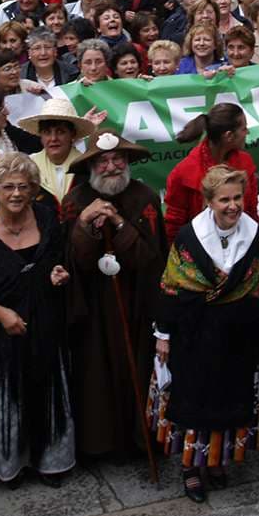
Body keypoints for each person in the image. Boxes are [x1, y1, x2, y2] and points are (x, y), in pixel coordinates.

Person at [152, 165, 259, 503]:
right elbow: (172, 287)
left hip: (237, 333)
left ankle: (218, 460)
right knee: (196, 398)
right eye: (224, 200)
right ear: (209, 201)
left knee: (230, 396)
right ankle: (191, 467)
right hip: (196, 333)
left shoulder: (254, 234)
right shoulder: (189, 237)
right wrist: (163, 334)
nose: (233, 206)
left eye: (237, 198)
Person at [0, 153, 75, 486]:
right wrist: (2, 314)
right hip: (2, 335)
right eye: (8, 187)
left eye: (23, 186)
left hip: (45, 324)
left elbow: (57, 261)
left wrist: (57, 273)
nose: (16, 194)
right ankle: (11, 464)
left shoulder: (47, 219)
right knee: (9, 398)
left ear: (34, 189)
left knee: (47, 390)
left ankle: (49, 461)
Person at [58, 131, 168, 457]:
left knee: (139, 367)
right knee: (96, 374)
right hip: (93, 305)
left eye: (117, 158)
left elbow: (151, 259)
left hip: (136, 302)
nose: (111, 166)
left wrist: (119, 223)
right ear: (91, 166)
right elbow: (73, 260)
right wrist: (85, 224)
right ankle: (101, 445)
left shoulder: (146, 198)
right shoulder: (74, 201)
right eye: (103, 161)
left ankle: (141, 440)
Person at [163, 104, 259, 242]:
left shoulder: (246, 163)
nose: (247, 132)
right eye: (244, 129)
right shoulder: (183, 174)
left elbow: (251, 212)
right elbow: (174, 226)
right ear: (229, 136)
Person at [18, 97, 93, 202]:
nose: (53, 138)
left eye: (60, 132)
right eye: (47, 132)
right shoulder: (28, 166)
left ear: (72, 134)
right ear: (40, 135)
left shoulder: (86, 166)